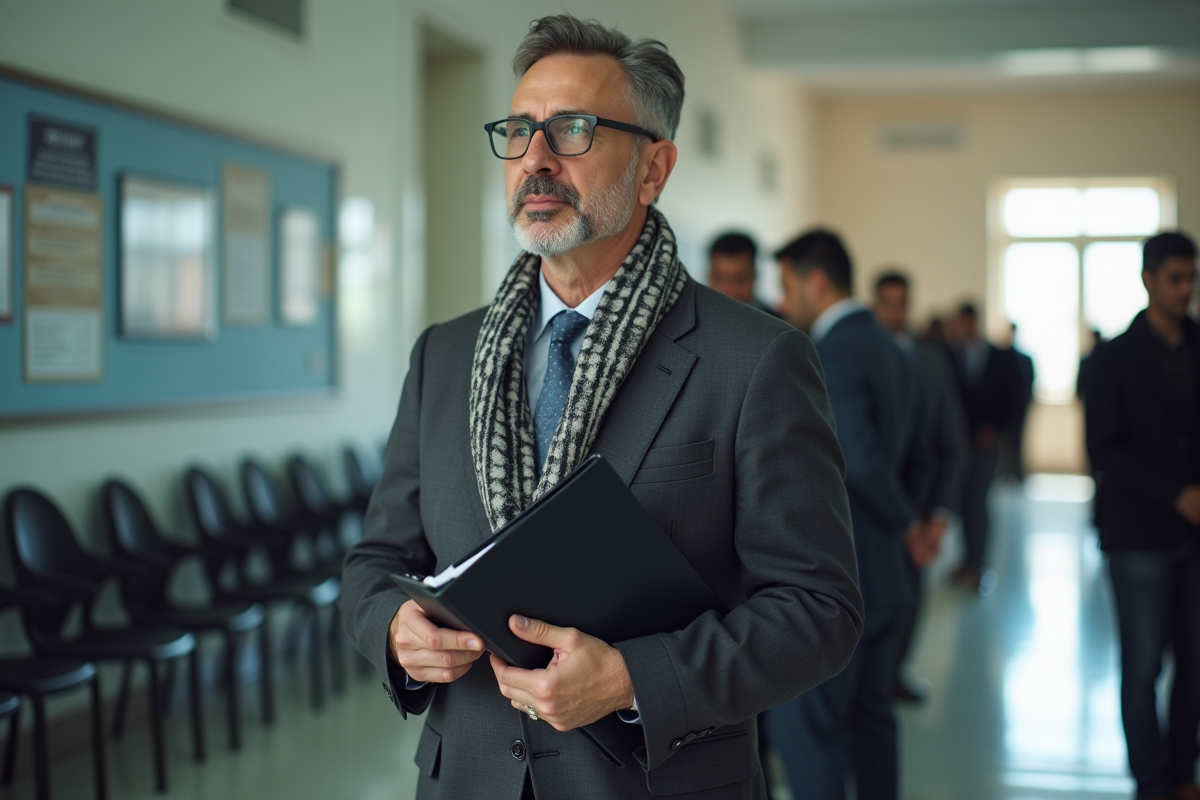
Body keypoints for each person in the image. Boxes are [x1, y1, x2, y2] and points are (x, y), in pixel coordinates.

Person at [340, 16, 863, 800]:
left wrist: (632, 679)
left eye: (573, 130)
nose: (536, 159)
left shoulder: (754, 360)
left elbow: (819, 611)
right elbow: (373, 563)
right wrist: (390, 626)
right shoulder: (445, 357)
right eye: (518, 131)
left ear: (654, 169)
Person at [765, 232, 926, 800]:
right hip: (887, 576)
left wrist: (907, 522)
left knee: (808, 732)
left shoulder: (825, 352)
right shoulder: (896, 349)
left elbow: (858, 458)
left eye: (786, 288)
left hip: (842, 576)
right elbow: (914, 453)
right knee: (873, 722)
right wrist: (912, 522)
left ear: (816, 281)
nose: (782, 304)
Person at [1085, 230, 1200, 800]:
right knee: (1143, 669)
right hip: (1137, 535)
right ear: (1148, 280)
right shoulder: (1111, 360)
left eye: (1191, 278)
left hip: (1194, 536)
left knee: (1196, 664)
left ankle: (1183, 775)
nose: (1185, 290)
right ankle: (1151, 783)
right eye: (1175, 278)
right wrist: (1176, 493)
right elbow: (1103, 449)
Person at [873, 271, 970, 703]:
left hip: (919, 507)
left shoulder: (930, 363)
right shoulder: (856, 358)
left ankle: (893, 674)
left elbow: (953, 442)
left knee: (910, 599)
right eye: (886, 303)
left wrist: (939, 516)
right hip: (866, 511)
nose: (894, 312)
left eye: (901, 303)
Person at [948, 302, 1023, 592]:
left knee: (978, 502)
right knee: (962, 503)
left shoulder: (999, 356)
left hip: (985, 443)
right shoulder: (950, 354)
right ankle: (966, 560)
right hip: (957, 444)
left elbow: (1015, 396)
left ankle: (977, 563)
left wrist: (998, 429)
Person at [707, 231, 780, 317]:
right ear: (709, 276)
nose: (729, 291)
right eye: (719, 279)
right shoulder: (694, 319)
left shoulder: (779, 325)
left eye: (740, 280)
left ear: (755, 276)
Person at [999, 323, 1035, 481]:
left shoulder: (1025, 358)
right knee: (1005, 443)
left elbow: (1030, 382)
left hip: (1021, 406)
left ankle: (1017, 472)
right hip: (1006, 408)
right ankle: (1006, 472)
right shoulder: (1003, 357)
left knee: (1019, 440)